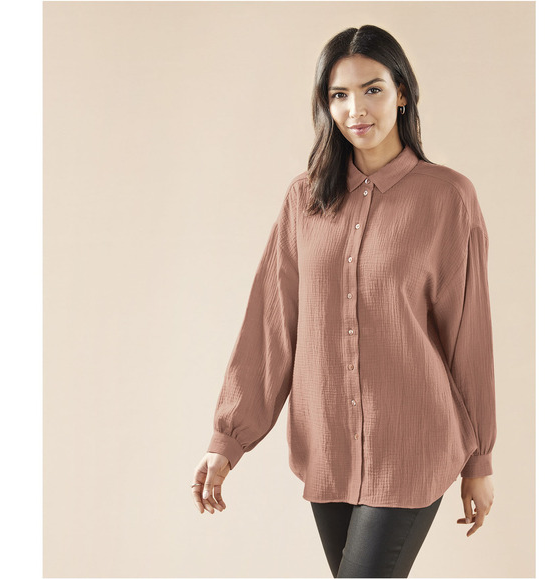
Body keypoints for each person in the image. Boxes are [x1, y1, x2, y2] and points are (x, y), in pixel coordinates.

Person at [191, 24, 496, 578]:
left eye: (372, 89)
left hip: (412, 443)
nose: (356, 109)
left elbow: (468, 338)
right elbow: (272, 326)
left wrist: (479, 460)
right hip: (327, 445)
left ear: (402, 93)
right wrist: (227, 439)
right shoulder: (304, 198)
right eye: (339, 94)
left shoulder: (448, 197)